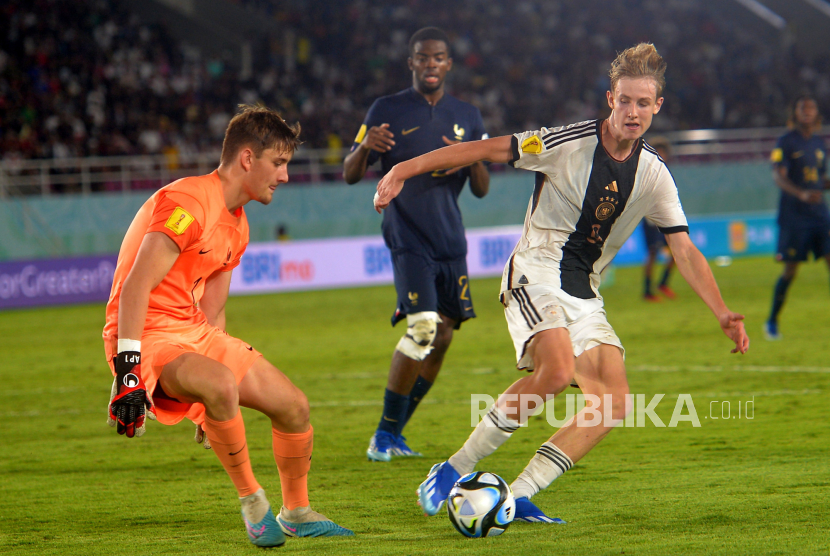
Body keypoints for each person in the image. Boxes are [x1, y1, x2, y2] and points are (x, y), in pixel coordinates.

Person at [375, 43, 749, 522]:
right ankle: (452, 469)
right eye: (625, 101)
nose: (633, 112)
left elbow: (684, 248)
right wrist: (403, 168)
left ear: (658, 107)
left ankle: (518, 494)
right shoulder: (566, 140)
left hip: (584, 292)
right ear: (610, 100)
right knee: (553, 372)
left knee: (612, 403)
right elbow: (488, 149)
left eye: (643, 103)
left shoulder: (655, 174)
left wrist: (721, 311)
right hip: (535, 271)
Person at [103, 105, 353, 547]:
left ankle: (295, 511)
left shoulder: (238, 224)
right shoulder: (189, 202)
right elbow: (135, 288)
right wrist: (127, 373)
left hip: (193, 331)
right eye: (279, 163)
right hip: (146, 333)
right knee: (220, 384)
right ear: (247, 159)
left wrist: (207, 400)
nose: (285, 176)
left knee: (294, 406)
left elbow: (213, 313)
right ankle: (254, 504)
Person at [343, 27, 490, 462]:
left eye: (439, 57)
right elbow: (351, 172)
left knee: (442, 337)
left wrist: (471, 153)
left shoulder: (468, 114)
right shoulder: (385, 109)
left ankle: (392, 433)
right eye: (423, 58)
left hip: (450, 240)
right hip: (406, 235)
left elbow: (481, 189)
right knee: (423, 327)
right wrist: (365, 146)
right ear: (411, 62)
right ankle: (384, 436)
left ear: (448, 63)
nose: (431, 64)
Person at [765, 95, 830, 340]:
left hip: (820, 216)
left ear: (816, 114)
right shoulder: (785, 142)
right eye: (802, 107)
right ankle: (772, 321)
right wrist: (801, 193)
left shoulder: (819, 143)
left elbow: (818, 180)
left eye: (811, 107)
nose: (807, 111)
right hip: (794, 218)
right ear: (795, 113)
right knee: (790, 271)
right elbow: (778, 176)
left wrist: (821, 186)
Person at [641, 136, 676, 301]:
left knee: (676, 251)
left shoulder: (665, 170)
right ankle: (647, 291)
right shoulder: (647, 171)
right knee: (653, 253)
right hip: (651, 218)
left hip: (664, 217)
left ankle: (662, 283)